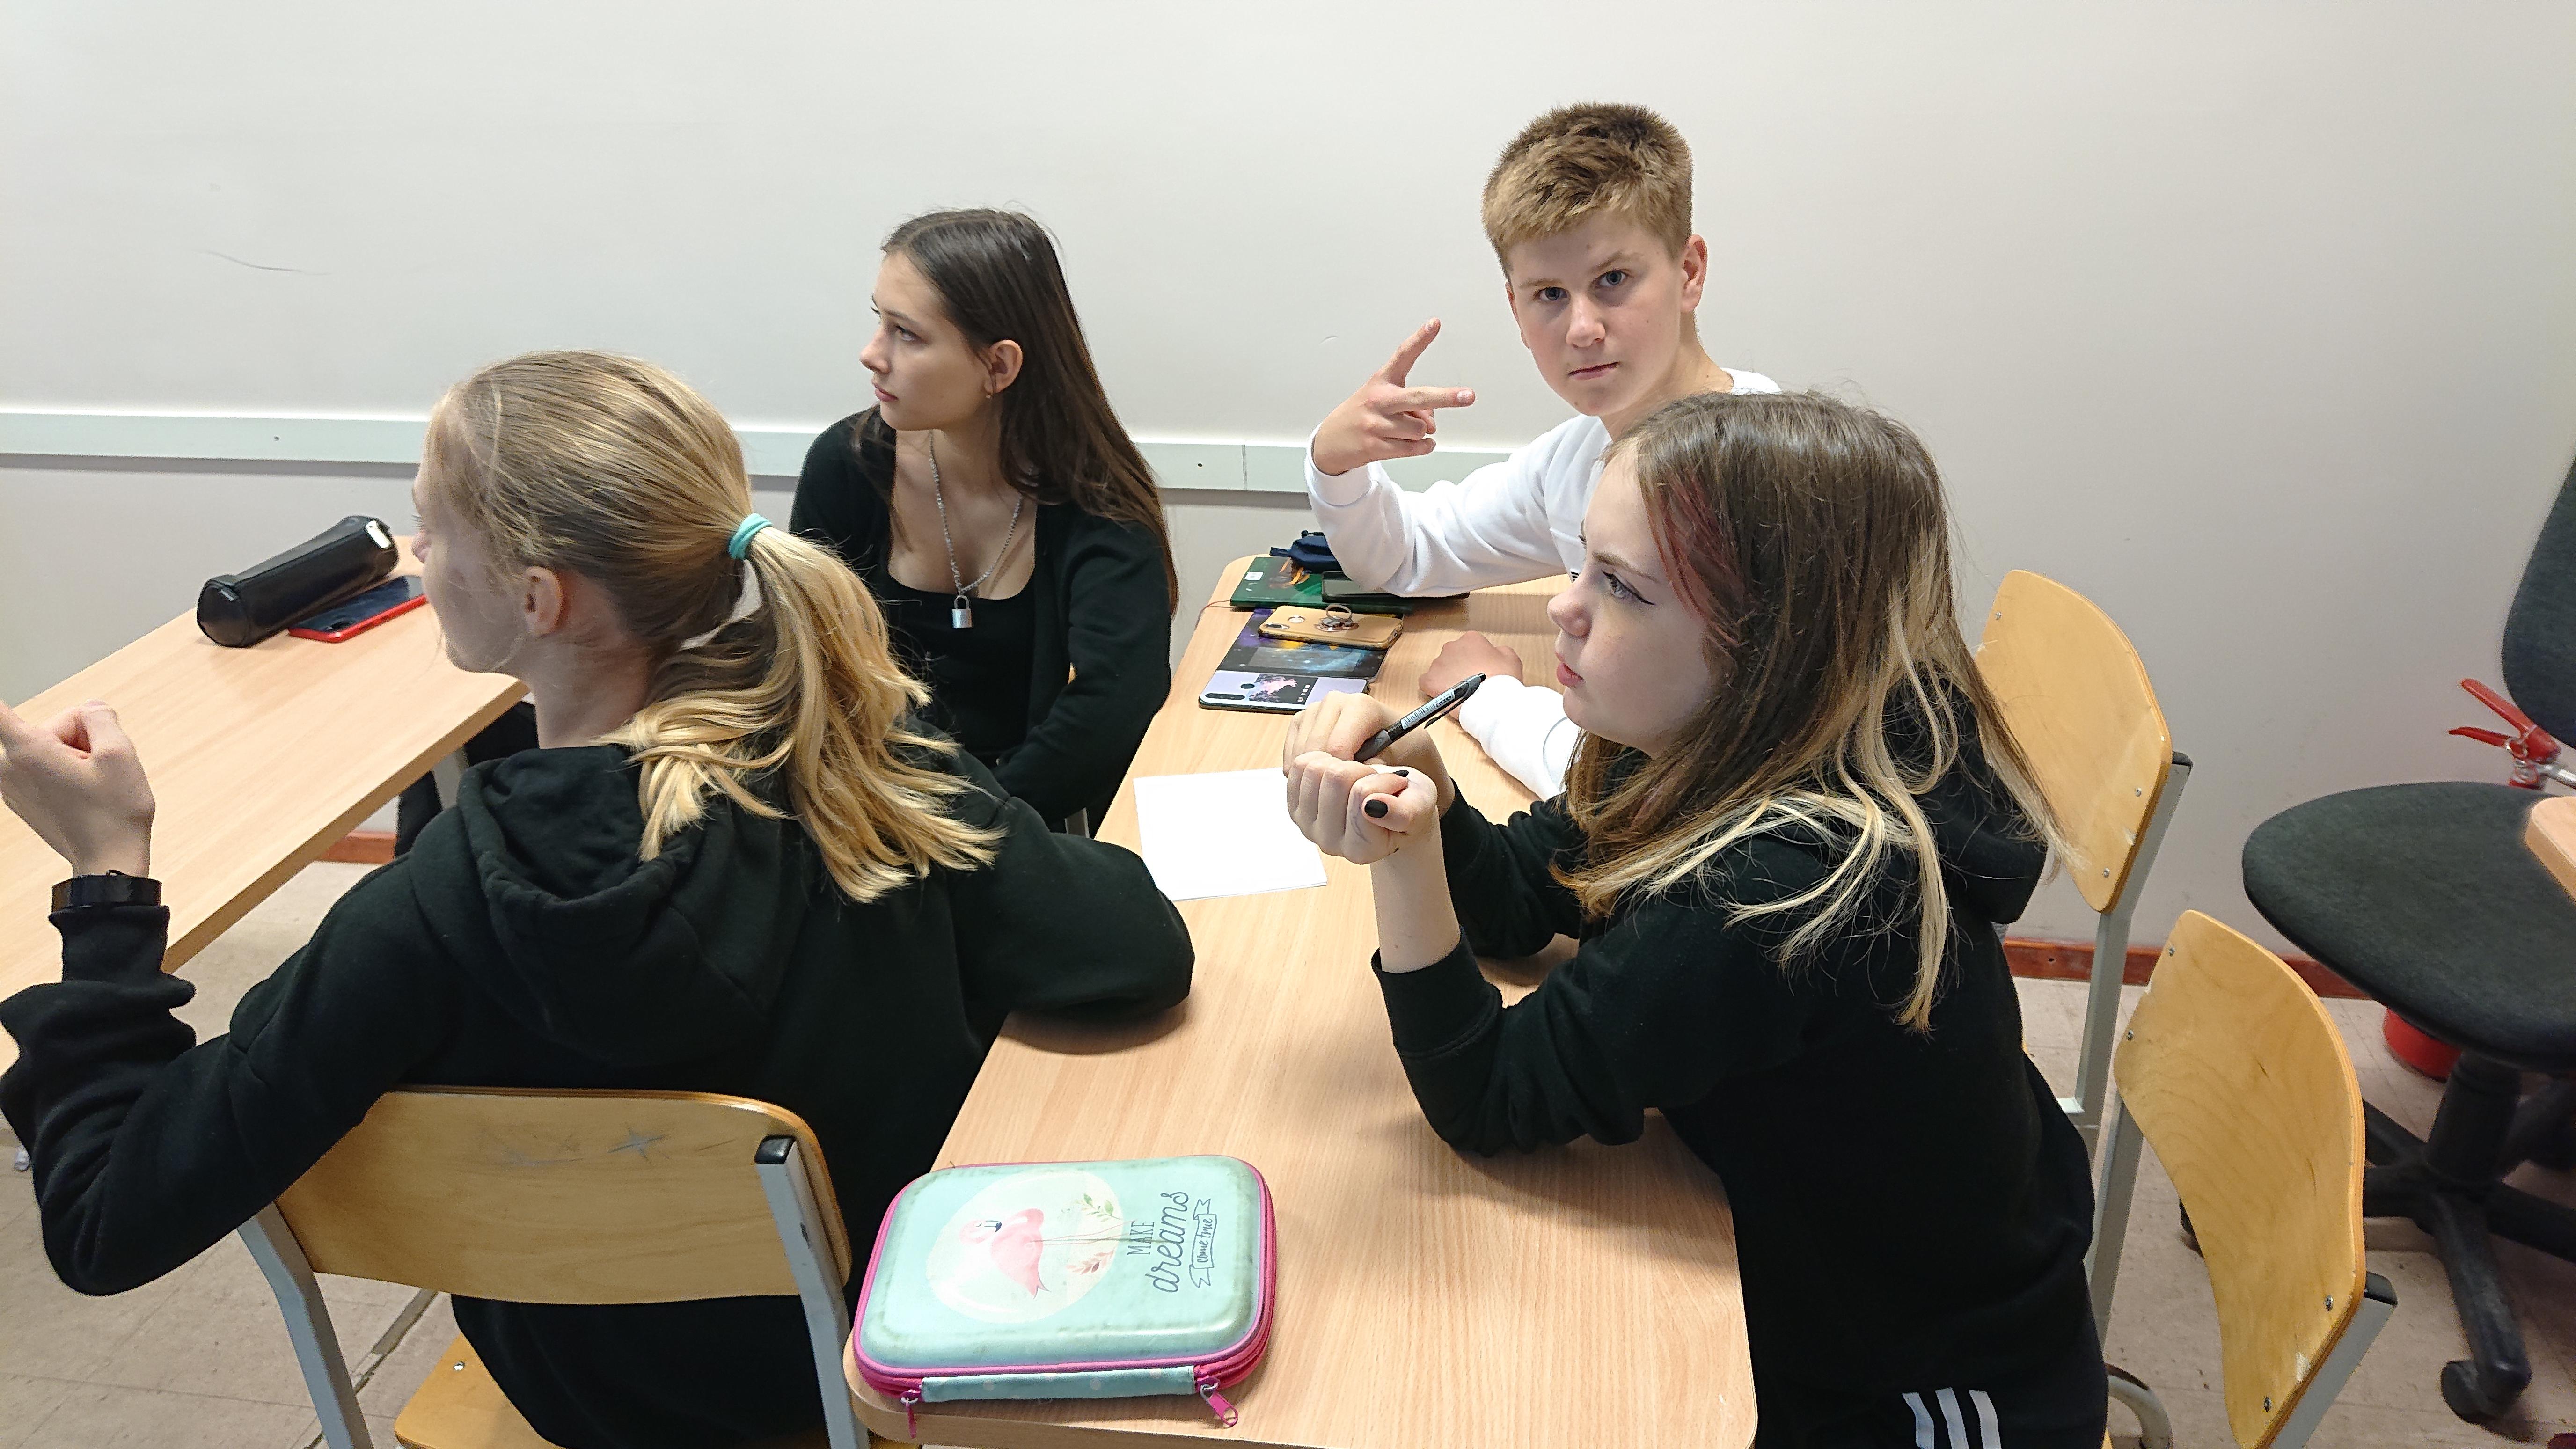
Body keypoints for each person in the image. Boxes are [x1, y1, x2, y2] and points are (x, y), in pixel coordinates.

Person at [0, 351, 1193, 1449]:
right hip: (891, 1362)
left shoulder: (434, 910)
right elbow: (1138, 950)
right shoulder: (862, 768)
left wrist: (108, 882)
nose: (414, 552)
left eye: (432, 526)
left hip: (589, 1405)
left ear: (538, 599)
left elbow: (108, 1218)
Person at [1283, 391, 2105, 1449]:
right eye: (1583, 563)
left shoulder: (1779, 894)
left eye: (1621, 587)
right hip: (1809, 1253)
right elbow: (1534, 893)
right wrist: (1428, 786)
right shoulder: (1719, 737)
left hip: (1923, 1382)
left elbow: (1488, 1097)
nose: (1565, 608)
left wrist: (1399, 862)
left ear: (1773, 653)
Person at [1303, 102, 1780, 799]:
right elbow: (1407, 555)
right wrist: (1337, 461)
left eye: (1613, 280)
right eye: (1550, 294)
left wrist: (1491, 698)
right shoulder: (1580, 454)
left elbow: (1673, 787)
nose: (1582, 329)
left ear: (1688, 271)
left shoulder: (1760, 476)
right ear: (1515, 309)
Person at [794, 208, 1176, 831]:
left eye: (906, 334)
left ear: (999, 366)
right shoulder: (848, 465)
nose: (871, 355)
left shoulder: (1099, 502)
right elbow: (807, 663)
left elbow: (1113, 705)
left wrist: (966, 829)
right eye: (879, 322)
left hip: (1020, 815)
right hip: (863, 809)